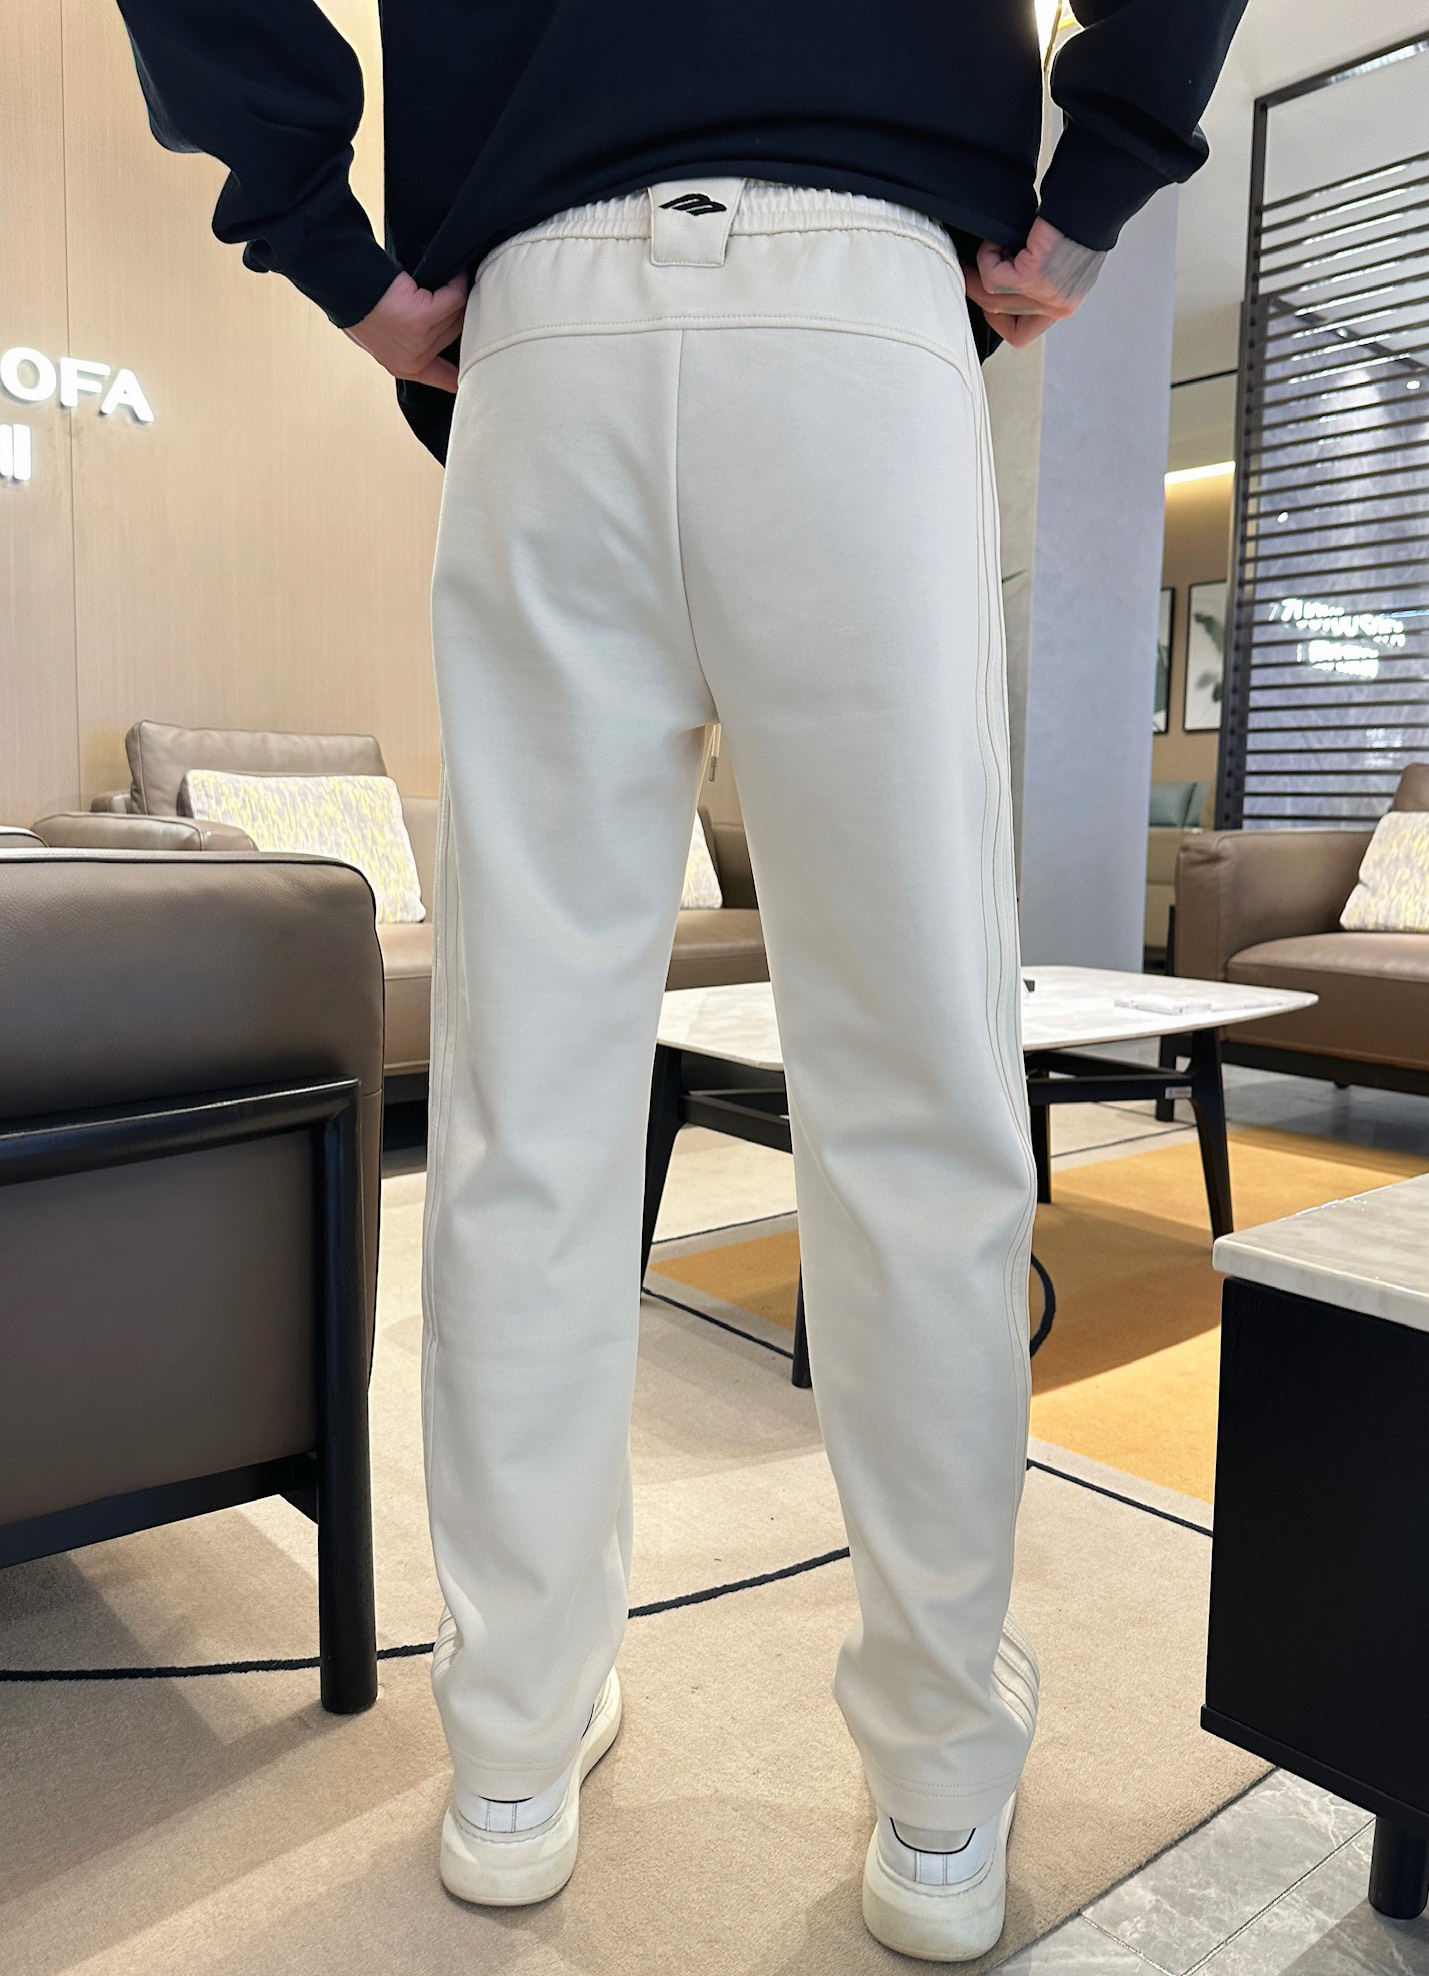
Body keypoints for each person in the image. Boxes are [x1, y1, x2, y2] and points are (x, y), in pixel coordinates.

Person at [116, 2, 1245, 1958]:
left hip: (541, 322)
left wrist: (327, 243)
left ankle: (511, 1751)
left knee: (524, 1120)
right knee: (916, 1105)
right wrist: (1103, 173)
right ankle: (937, 1791)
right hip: (865, 299)